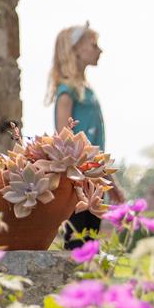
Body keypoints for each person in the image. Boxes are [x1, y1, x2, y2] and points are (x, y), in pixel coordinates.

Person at [46, 22, 123, 247]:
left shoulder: (86, 91)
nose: (99, 50)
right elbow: (64, 141)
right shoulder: (67, 93)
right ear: (76, 50)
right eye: (93, 45)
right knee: (78, 244)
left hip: (94, 182)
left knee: (91, 243)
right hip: (78, 186)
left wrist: (110, 180)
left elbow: (97, 147)